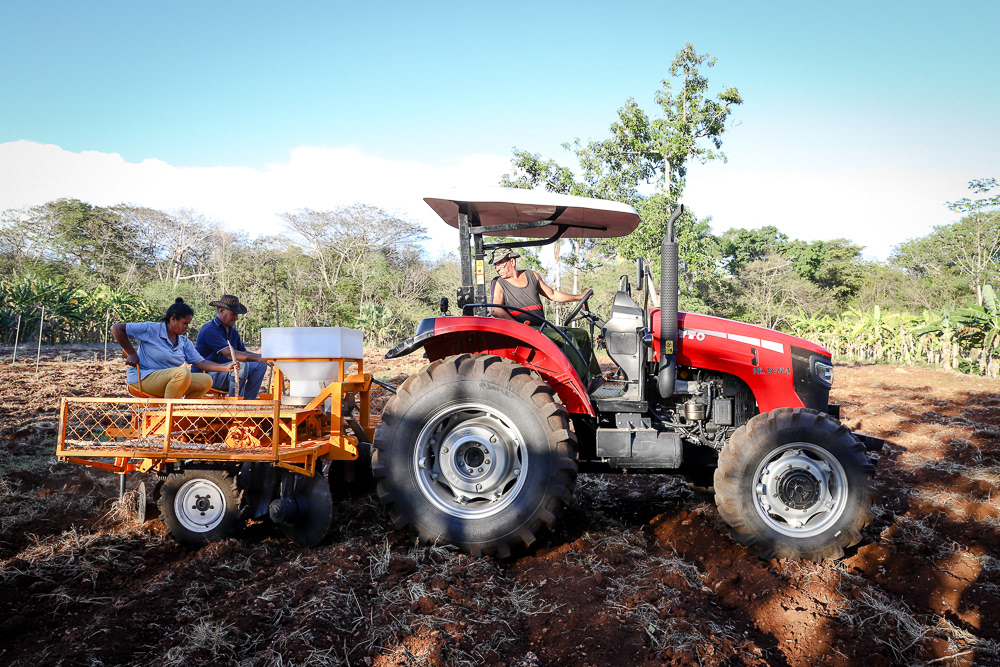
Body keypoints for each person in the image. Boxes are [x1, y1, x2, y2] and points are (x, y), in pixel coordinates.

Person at [490, 249, 601, 383]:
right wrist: (519, 327)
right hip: (526, 330)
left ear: (512, 261)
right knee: (567, 337)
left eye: (500, 264)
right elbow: (496, 310)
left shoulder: (531, 275)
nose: (497, 269)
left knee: (581, 334)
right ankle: (581, 381)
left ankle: (594, 375)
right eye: (495, 265)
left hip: (541, 326)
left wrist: (579, 297)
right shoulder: (499, 283)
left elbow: (552, 294)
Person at [111, 298, 237, 399]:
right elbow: (116, 328)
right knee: (182, 373)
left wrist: (226, 368)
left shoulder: (184, 342)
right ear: (173, 319)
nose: (187, 327)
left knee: (206, 380)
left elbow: (201, 363)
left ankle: (184, 413)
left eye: (188, 324)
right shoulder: (151, 329)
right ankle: (169, 412)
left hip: (169, 381)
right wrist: (131, 353)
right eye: (184, 323)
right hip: (143, 379)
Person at [195, 294, 270, 399]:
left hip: (227, 372)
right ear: (222, 311)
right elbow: (228, 354)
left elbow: (243, 352)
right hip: (207, 375)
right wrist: (258, 357)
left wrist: (262, 357)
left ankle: (248, 401)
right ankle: (235, 402)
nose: (236, 317)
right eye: (233, 314)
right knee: (241, 365)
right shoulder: (209, 329)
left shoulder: (232, 330)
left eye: (237, 314)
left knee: (260, 365)